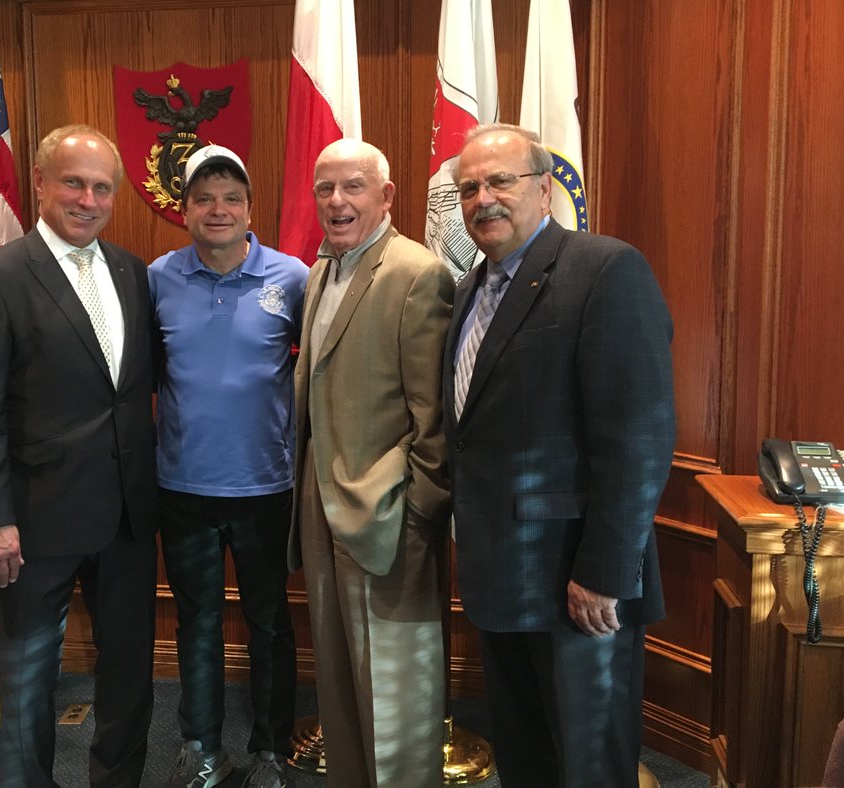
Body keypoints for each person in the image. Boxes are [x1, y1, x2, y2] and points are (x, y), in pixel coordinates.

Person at [444, 123, 676, 788]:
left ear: (545, 189)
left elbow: (638, 437)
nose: (484, 198)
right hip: (501, 575)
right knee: (526, 758)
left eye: (501, 181)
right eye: (469, 188)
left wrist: (605, 572)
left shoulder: (604, 269)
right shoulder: (469, 290)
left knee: (589, 766)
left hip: (577, 582)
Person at [0, 125, 157, 788]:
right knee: (28, 680)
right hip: (33, 523)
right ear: (40, 183)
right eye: (74, 183)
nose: (88, 200)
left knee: (128, 673)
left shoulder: (131, 272)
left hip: (127, 517)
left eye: (102, 188)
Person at [289, 138, 454, 787]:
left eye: (352, 186)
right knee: (339, 683)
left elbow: (433, 422)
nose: (336, 201)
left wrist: (415, 515)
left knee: (395, 692)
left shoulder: (416, 273)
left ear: (385, 196)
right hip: (321, 509)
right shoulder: (320, 272)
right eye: (325, 188)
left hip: (388, 517)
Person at [149, 145, 307, 788]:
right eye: (205, 198)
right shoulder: (157, 279)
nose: (219, 209)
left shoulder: (292, 277)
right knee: (198, 623)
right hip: (183, 486)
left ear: (249, 208)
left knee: (270, 622)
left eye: (232, 198)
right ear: (184, 210)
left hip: (267, 485)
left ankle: (271, 752)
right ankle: (202, 749)